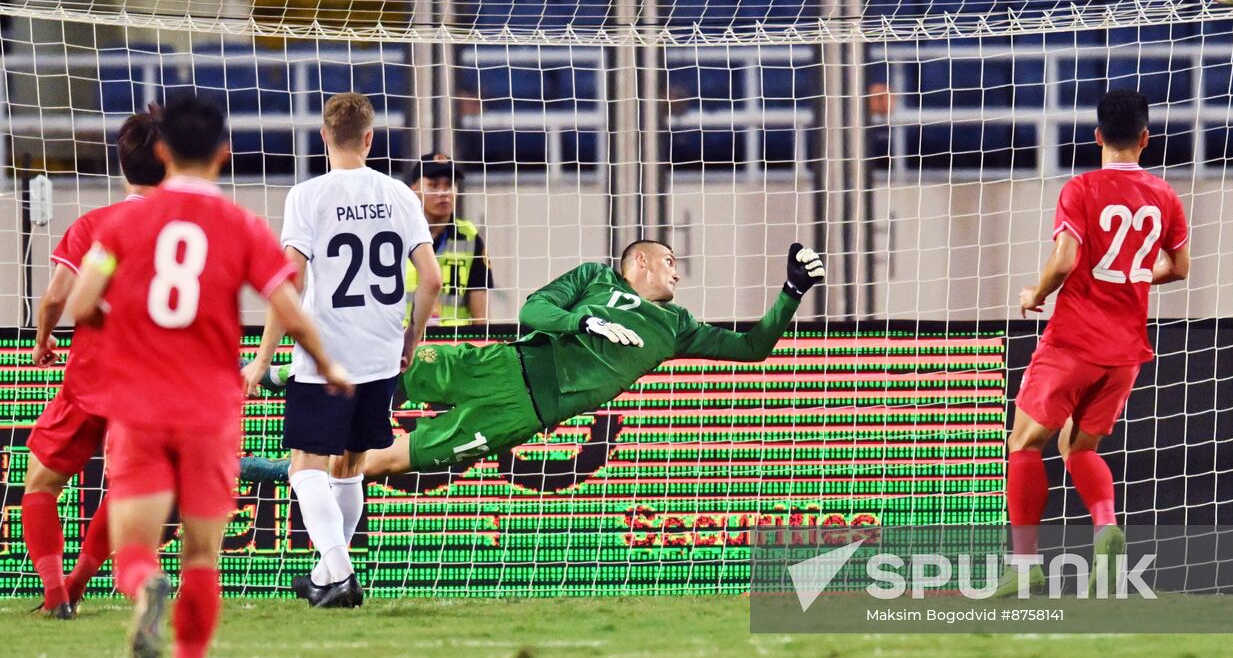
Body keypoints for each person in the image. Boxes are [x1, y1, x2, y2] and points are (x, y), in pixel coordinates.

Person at [67, 95, 352, 658]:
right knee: (202, 557)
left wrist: (124, 321)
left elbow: (80, 305)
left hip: (140, 406)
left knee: (136, 548)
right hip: (211, 411)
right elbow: (288, 305)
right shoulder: (241, 226)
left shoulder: (120, 225)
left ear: (161, 152)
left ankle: (145, 588)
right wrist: (327, 366)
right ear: (225, 153)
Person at [242, 240, 826, 486]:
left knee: (396, 459)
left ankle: (267, 469)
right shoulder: (595, 279)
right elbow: (532, 309)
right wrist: (582, 322)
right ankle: (275, 378)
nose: (677, 273)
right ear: (641, 264)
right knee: (385, 365)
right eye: (670, 262)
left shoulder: (677, 328)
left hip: (521, 414)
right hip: (500, 364)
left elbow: (752, 348)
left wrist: (791, 294)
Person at [240, 93, 441, 609]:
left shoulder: (307, 196)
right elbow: (432, 278)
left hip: (325, 352)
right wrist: (410, 339)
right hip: (378, 351)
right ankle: (327, 573)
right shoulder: (399, 194)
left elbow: (289, 281)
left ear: (325, 136)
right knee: (349, 466)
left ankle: (341, 572)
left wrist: (263, 359)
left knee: (305, 466)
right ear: (370, 138)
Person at [994, 90, 1190, 597]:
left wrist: (1035, 294)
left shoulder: (1081, 188)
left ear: (1098, 135)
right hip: (1125, 351)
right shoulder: (1165, 197)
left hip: (1073, 341)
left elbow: (1063, 259)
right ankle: (1106, 525)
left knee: (1023, 443)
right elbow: (1179, 268)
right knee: (1077, 446)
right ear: (1146, 139)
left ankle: (1023, 567)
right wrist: (1133, 275)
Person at [23, 106, 163, 619]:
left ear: (122, 164)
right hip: (152, 385)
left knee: (40, 485)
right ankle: (81, 584)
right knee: (127, 492)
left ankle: (57, 595)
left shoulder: (96, 226)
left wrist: (42, 340)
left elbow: (57, 298)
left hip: (90, 378)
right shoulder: (184, 233)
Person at [401, 153, 494, 325]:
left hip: (454, 346)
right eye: (433, 185)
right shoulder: (396, 236)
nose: (443, 193)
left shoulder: (470, 239)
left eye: (449, 185)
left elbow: (481, 318)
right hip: (402, 343)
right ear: (413, 188)